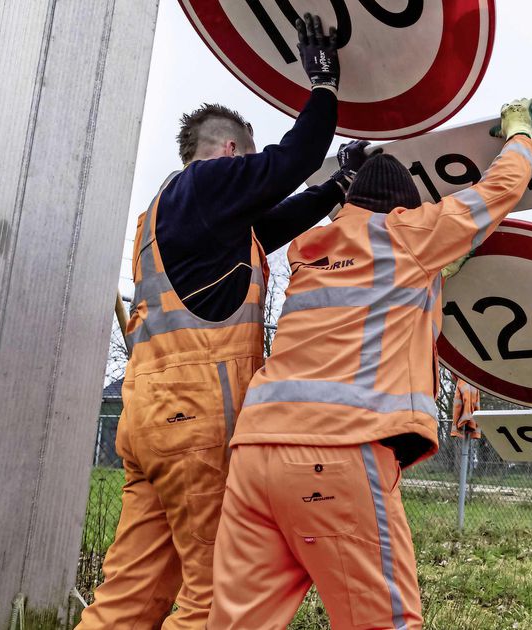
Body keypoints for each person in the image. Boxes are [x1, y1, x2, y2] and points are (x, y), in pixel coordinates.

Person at [78, 14, 368, 628]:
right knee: (212, 592)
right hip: (197, 423)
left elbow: (274, 224)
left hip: (147, 419)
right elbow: (292, 160)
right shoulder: (209, 183)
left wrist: (337, 185)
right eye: (249, 163)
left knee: (130, 596)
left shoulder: (169, 220)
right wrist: (323, 86)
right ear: (232, 153)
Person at [208, 98, 532, 629]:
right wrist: (522, 137)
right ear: (404, 209)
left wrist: (432, 270)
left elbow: (368, 283)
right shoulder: (408, 235)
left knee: (235, 623)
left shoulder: (309, 253)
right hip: (338, 451)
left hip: (253, 457)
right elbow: (495, 193)